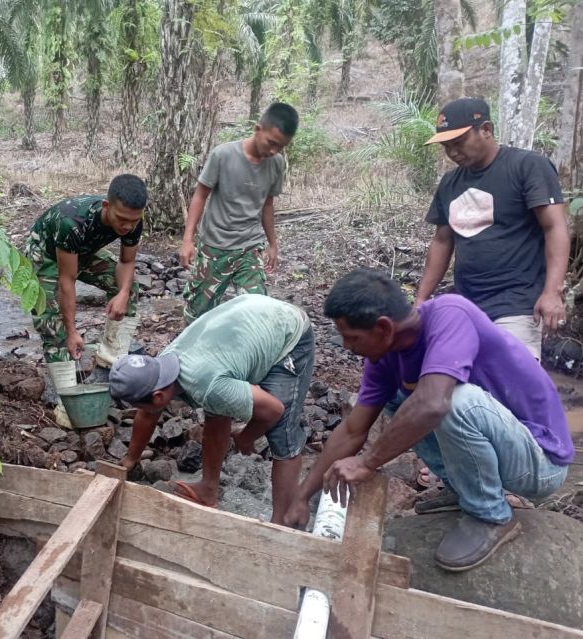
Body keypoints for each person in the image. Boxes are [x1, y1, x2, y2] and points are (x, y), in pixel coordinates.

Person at [286, 270, 572, 572]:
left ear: (383, 328)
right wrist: (302, 496)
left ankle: (490, 514)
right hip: (500, 450)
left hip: (540, 462)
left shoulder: (451, 314)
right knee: (402, 400)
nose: (347, 347)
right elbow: (353, 430)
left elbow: (434, 404)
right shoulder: (383, 358)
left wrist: (367, 462)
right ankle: (462, 487)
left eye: (352, 337)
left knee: (446, 401)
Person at [109, 294, 314, 525]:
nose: (141, 410)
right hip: (249, 318)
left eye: (138, 405)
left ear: (158, 396)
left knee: (282, 434)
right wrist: (130, 460)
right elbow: (148, 413)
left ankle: (280, 526)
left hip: (287, 330)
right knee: (217, 406)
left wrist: (247, 437)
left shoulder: (209, 386)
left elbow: (273, 410)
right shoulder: (163, 366)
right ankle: (208, 490)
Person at [416, 97, 570, 360]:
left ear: (486, 129)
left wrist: (552, 292)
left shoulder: (527, 166)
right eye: (446, 146)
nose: (452, 152)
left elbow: (555, 227)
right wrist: (421, 299)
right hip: (466, 305)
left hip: (518, 303)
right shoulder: (450, 182)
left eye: (459, 142)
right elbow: (442, 242)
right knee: (459, 381)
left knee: (511, 383)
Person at [26, 174, 148, 425]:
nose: (127, 227)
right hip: (44, 254)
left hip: (81, 251)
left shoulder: (134, 220)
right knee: (51, 321)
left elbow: (126, 261)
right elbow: (66, 281)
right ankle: (67, 406)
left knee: (129, 289)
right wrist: (72, 331)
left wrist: (122, 294)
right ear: (106, 206)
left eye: (133, 221)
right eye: (122, 220)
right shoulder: (73, 222)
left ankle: (109, 368)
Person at [179, 102, 299, 325]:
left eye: (280, 147)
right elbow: (200, 196)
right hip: (215, 245)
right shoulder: (223, 155)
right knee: (197, 313)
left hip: (250, 246)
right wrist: (188, 240)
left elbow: (267, 205)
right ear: (257, 129)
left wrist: (273, 244)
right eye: (271, 143)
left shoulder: (276, 164)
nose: (273, 151)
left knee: (256, 310)